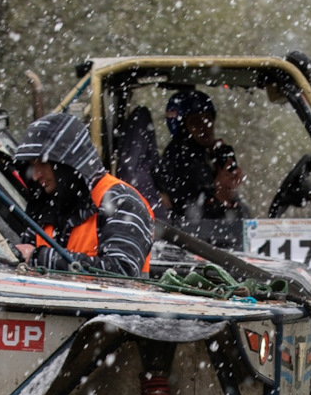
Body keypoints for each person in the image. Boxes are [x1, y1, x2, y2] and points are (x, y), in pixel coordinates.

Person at [11, 112, 154, 276]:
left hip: (110, 302)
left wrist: (41, 258)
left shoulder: (122, 201)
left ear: (67, 162)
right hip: (50, 300)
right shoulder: (46, 205)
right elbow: (25, 256)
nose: (35, 175)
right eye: (31, 166)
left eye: (42, 163)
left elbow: (121, 271)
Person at [154, 87, 221, 222]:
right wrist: (222, 188)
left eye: (208, 119)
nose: (205, 126)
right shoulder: (181, 161)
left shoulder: (203, 156)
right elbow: (200, 217)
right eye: (196, 122)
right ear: (183, 129)